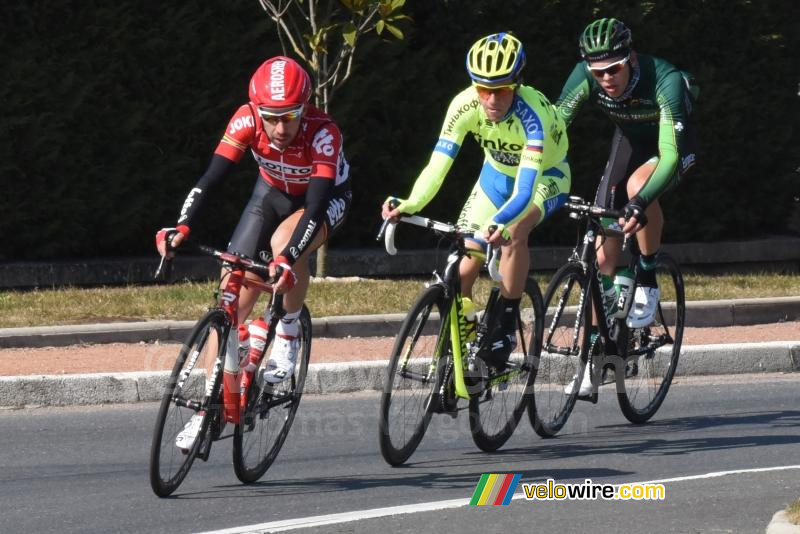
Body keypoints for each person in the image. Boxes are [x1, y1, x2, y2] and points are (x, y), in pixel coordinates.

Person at [156, 56, 351, 449]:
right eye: (271, 117)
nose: (280, 128)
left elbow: (313, 208)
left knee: (284, 247)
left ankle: (289, 328)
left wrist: (288, 256)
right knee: (231, 288)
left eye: (290, 117)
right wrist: (181, 224)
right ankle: (209, 405)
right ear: (257, 111)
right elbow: (210, 178)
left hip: (322, 200)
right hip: (269, 195)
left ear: (305, 108)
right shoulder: (244, 120)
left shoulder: (323, 133)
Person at [382, 32, 570, 367]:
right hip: (495, 176)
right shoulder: (464, 104)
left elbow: (524, 193)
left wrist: (501, 222)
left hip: (546, 177)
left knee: (515, 233)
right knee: (464, 266)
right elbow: (438, 165)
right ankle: (465, 336)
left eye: (500, 90)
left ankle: (506, 325)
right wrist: (410, 203)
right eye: (483, 89)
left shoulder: (533, 117)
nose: (491, 99)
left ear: (517, 84)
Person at [555, 18, 698, 394]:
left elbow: (668, 157)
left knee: (638, 188)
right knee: (601, 255)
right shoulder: (586, 76)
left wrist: (639, 203)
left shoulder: (663, 79)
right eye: (597, 72)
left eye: (614, 68)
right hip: (629, 141)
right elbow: (553, 129)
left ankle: (648, 275)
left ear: (630, 57)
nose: (606, 79)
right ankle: (598, 355)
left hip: (670, 148)